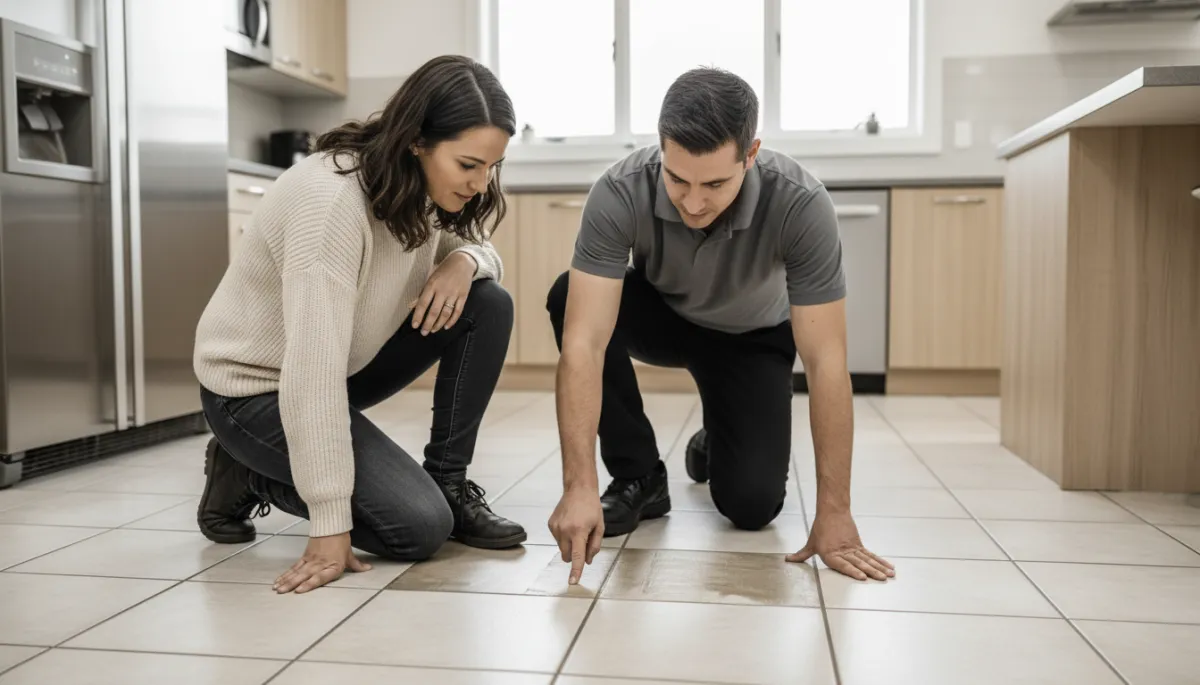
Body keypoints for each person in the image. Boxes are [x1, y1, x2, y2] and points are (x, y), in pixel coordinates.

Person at [546, 67, 895, 584]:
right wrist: (578, 486)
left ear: (750, 155)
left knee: (752, 507)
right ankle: (639, 474)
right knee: (566, 298)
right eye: (677, 179)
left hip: (751, 339)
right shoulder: (619, 190)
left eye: (714, 183)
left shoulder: (801, 203)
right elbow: (583, 344)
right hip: (665, 317)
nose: (692, 202)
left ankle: (717, 435)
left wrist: (836, 512)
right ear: (661, 148)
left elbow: (825, 363)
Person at [192, 55, 526, 595]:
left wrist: (462, 261)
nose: (481, 184)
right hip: (255, 389)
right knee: (417, 528)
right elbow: (310, 373)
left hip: (334, 366)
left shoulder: (415, 183)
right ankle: (244, 467)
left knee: (487, 303)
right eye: (469, 165)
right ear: (418, 141)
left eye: (492, 167)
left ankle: (450, 485)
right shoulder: (330, 207)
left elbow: (479, 250)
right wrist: (329, 520)